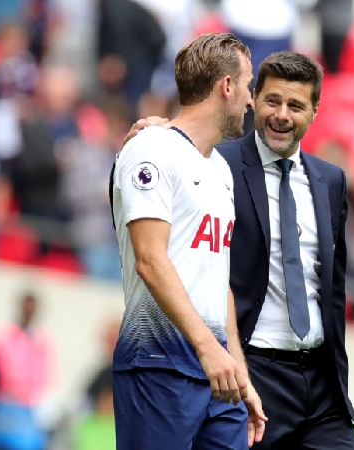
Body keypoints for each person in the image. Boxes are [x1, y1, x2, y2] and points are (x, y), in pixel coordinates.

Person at [126, 51, 354, 449]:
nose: (281, 115)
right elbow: (172, 159)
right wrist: (156, 133)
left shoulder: (331, 181)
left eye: (296, 105)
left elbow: (332, 285)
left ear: (315, 111)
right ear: (252, 97)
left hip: (321, 383)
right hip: (253, 369)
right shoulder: (218, 162)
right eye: (272, 100)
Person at [109, 33, 266, 450]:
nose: (252, 101)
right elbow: (149, 259)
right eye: (248, 84)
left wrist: (237, 370)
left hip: (217, 377)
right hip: (158, 365)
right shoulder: (151, 148)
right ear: (226, 86)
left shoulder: (220, 170)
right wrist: (208, 350)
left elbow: (217, 281)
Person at [0, 291, 57, 450]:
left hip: (32, 408)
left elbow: (47, 376)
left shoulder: (42, 339)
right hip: (5, 404)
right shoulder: (3, 335)